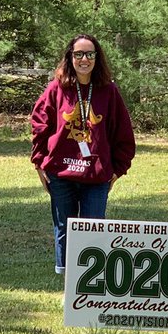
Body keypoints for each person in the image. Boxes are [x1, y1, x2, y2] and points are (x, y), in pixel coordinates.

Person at [30, 35, 136, 274]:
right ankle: (68, 285)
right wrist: (39, 163)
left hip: (96, 178)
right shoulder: (57, 87)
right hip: (61, 174)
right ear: (70, 57)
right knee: (64, 229)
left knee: (93, 232)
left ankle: (88, 289)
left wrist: (117, 170)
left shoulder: (108, 91)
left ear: (97, 59)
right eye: (78, 54)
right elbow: (39, 124)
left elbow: (124, 135)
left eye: (90, 54)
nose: (84, 59)